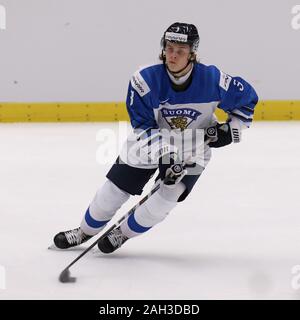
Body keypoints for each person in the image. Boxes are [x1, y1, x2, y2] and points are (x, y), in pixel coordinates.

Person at [53, 22, 258, 253]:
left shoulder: (213, 79)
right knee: (114, 190)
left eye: (180, 51)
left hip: (194, 147)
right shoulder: (144, 79)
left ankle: (122, 233)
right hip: (148, 143)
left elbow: (247, 101)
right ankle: (83, 232)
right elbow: (142, 125)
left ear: (192, 53)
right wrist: (167, 155)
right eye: (169, 48)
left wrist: (231, 131)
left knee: (168, 196)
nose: (173, 56)